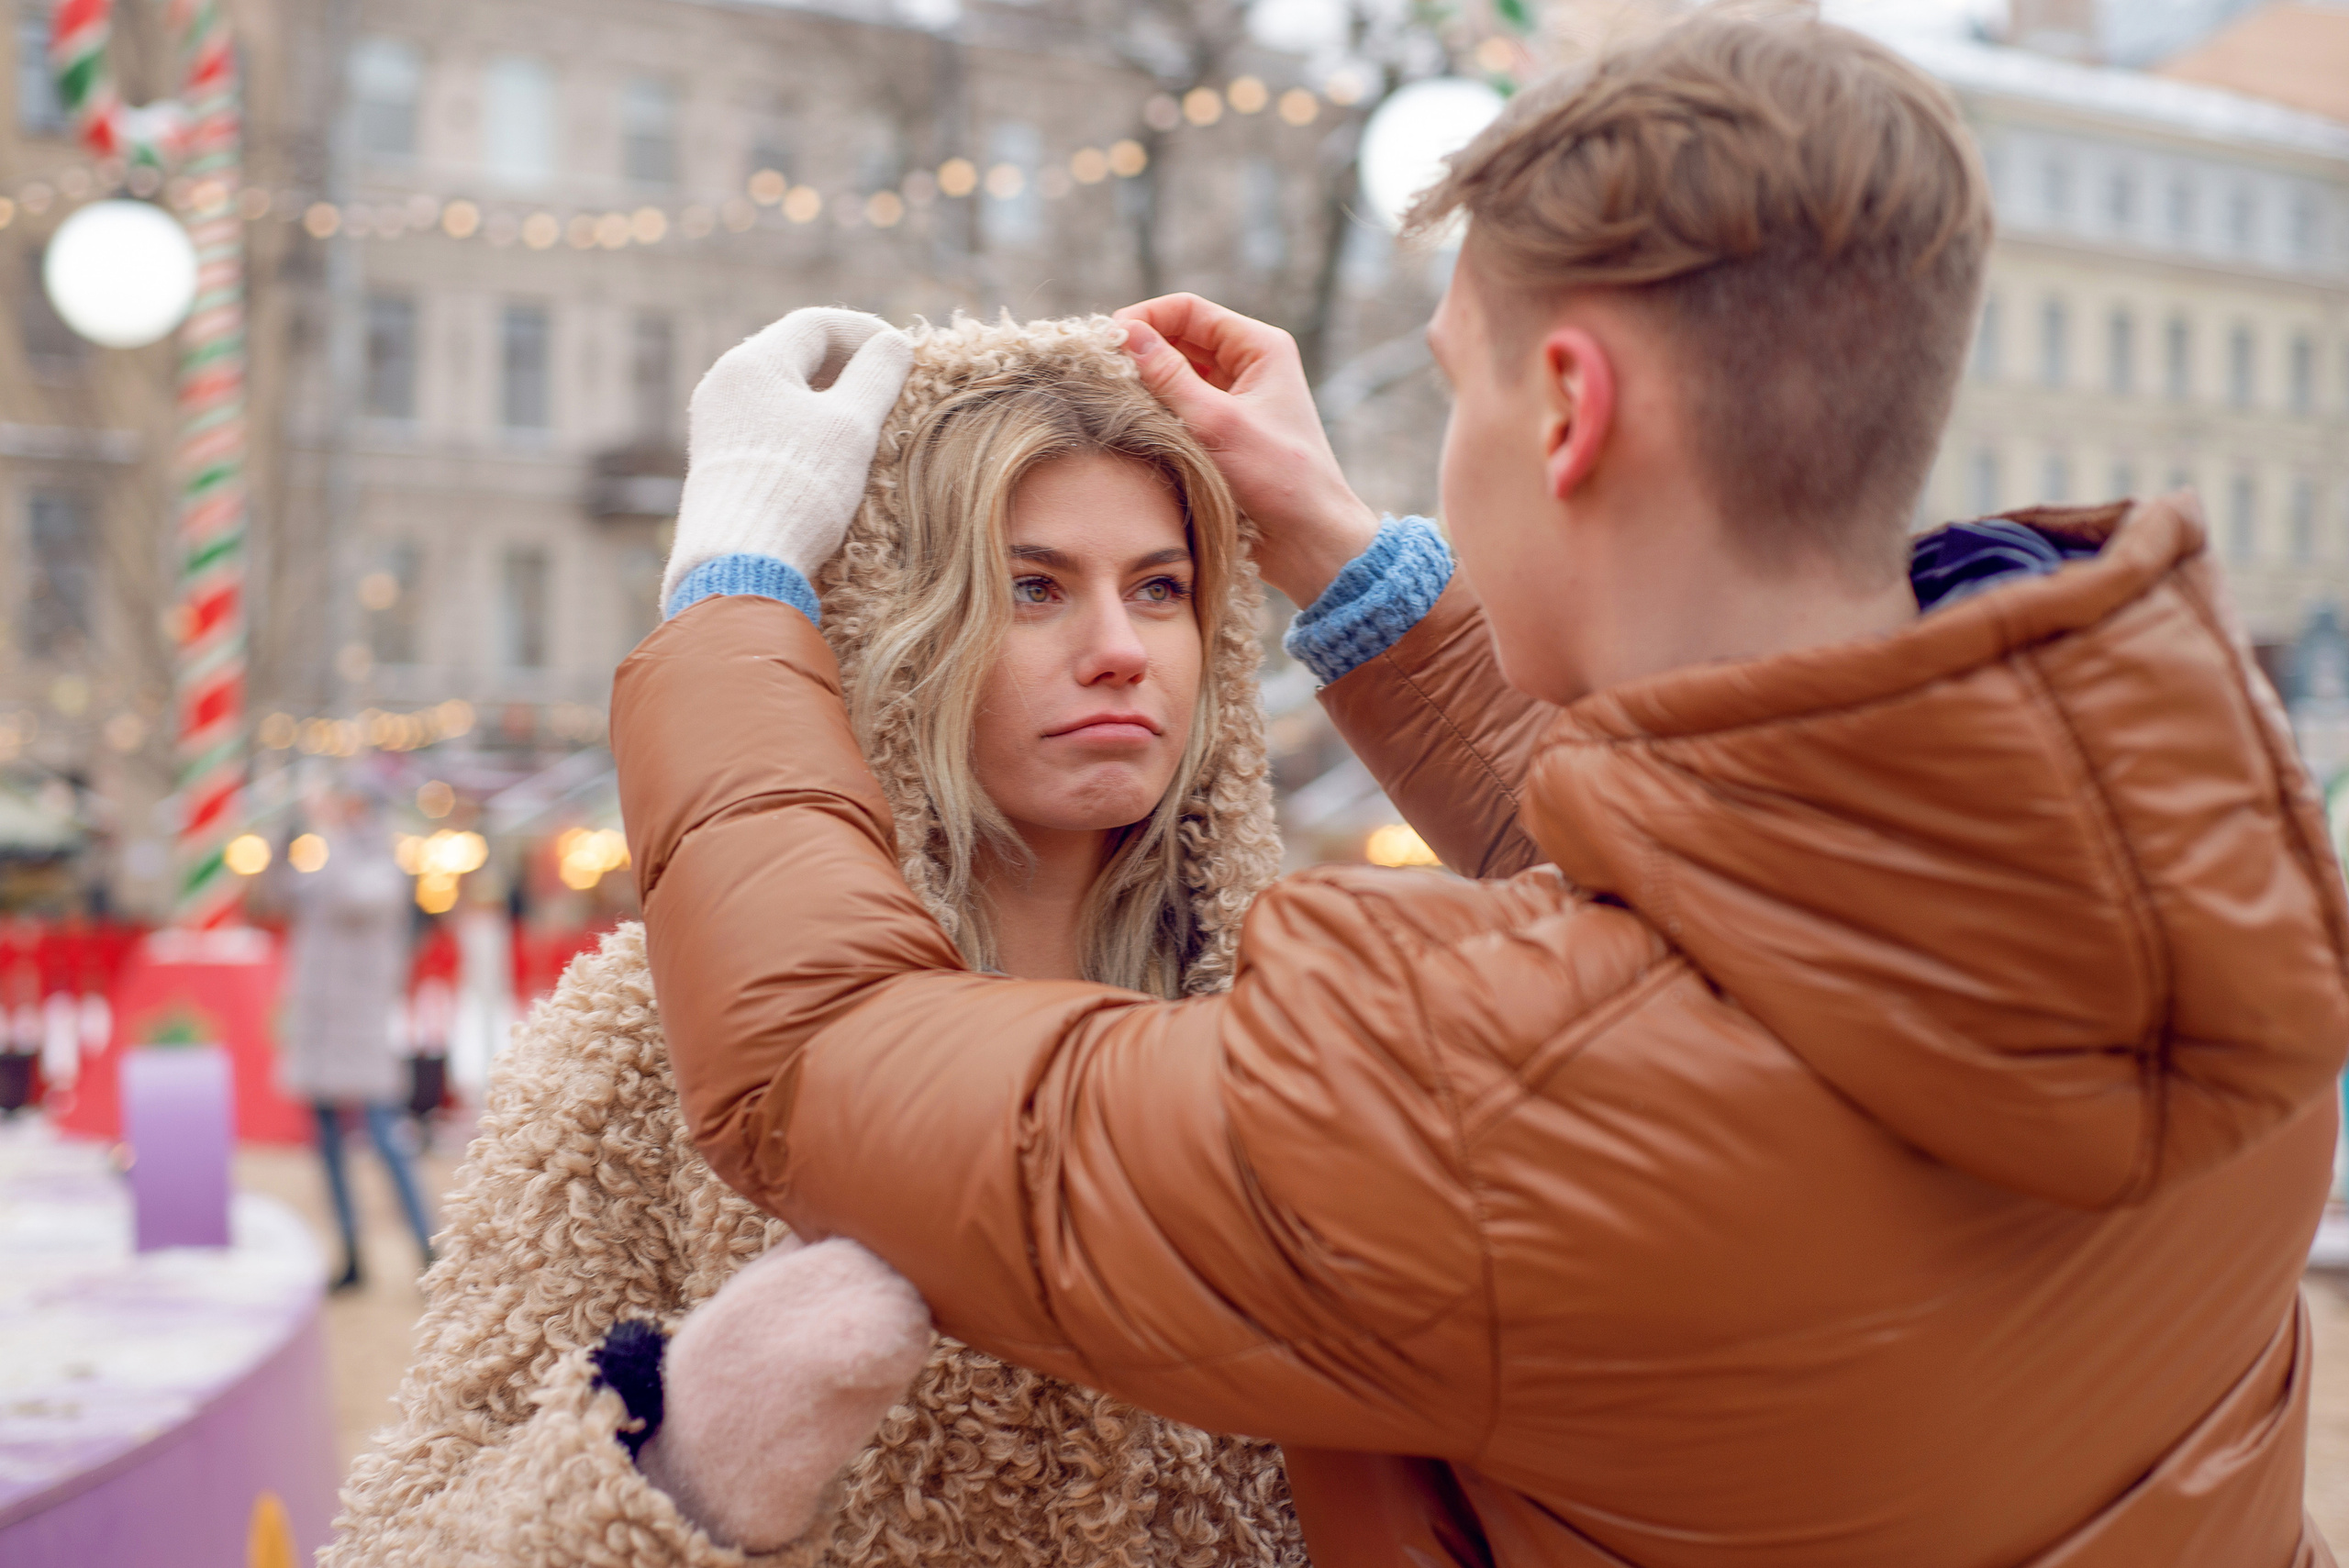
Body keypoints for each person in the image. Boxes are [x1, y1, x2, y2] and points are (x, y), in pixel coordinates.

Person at [609, 14, 2349, 1568]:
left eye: (1458, 385)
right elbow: (1746, 923)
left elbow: (817, 1058)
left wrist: (738, 580)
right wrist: (1357, 567)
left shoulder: (1468, 1101)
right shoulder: (2199, 870)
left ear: (1569, 409)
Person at [324, 314, 1304, 1567]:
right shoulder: (645, 1038)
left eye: (1160, 588)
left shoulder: (1301, 1017)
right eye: (1033, 587)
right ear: (890, 628)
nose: (1118, 650)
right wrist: (673, 1475)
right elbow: (415, 1537)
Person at [280, 773, 436, 1290]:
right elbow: (283, 891)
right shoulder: (330, 856)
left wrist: (329, 832)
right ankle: (350, 1253)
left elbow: (350, 897)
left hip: (361, 1025)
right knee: (325, 1144)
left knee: (388, 1141)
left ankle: (427, 1249)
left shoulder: (384, 865)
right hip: (319, 1024)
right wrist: (287, 831)